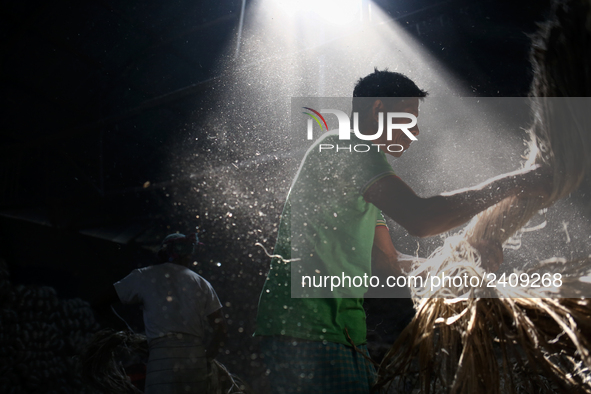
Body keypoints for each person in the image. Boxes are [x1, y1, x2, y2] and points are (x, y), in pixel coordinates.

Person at [255, 69, 551, 393]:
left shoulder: (358, 175)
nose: (416, 131)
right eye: (409, 119)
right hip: (306, 329)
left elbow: (389, 262)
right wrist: (515, 182)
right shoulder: (348, 148)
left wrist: (464, 260)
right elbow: (421, 219)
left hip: (337, 332)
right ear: (379, 110)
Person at [97, 232, 227, 394]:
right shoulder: (202, 283)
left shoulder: (144, 276)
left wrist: (127, 334)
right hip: (195, 362)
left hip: (161, 361)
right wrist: (206, 358)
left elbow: (100, 302)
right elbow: (221, 329)